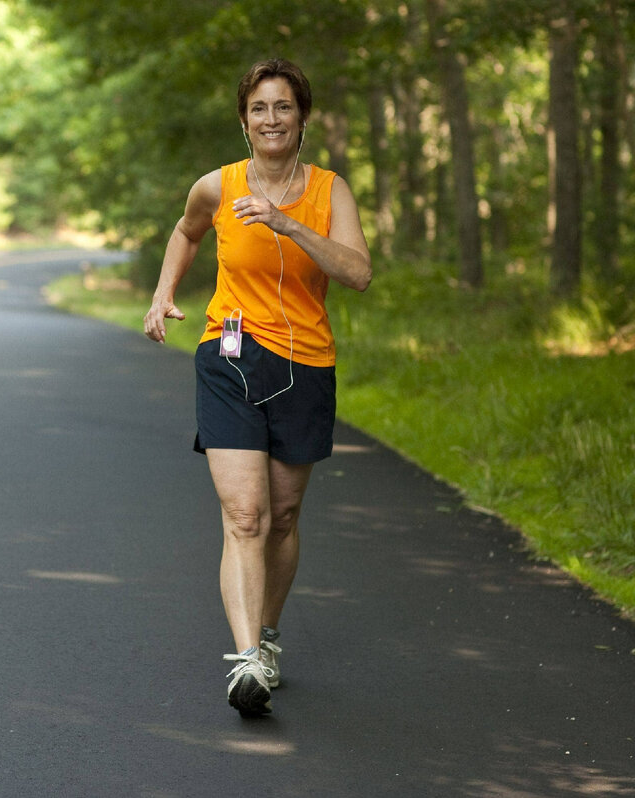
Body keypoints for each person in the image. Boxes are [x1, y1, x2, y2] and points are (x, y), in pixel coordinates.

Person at [143, 58, 371, 717]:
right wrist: (163, 294)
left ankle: (268, 637)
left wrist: (288, 223)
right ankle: (246, 662)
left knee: (285, 515)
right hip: (231, 355)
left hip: (305, 364)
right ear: (244, 122)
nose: (271, 120)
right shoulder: (217, 187)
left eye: (283, 108)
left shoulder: (331, 191)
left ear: (303, 118)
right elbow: (186, 233)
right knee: (246, 514)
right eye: (259, 109)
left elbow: (358, 273)